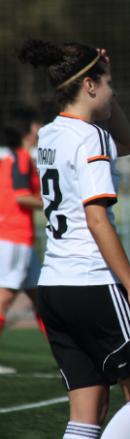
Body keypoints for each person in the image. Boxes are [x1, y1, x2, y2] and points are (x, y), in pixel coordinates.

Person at [19, 38, 130, 439]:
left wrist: (97, 81)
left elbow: (128, 144)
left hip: (55, 287)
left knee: (87, 409)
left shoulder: (49, 133)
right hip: (94, 284)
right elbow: (97, 219)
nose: (114, 91)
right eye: (109, 83)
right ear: (90, 86)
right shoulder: (90, 138)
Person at [0, 107, 46, 343]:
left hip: (20, 240)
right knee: (3, 301)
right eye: (36, 124)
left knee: (42, 302)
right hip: (14, 240)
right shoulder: (20, 158)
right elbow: (21, 196)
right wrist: (53, 204)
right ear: (27, 131)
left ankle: (67, 358)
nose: (40, 128)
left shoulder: (15, 158)